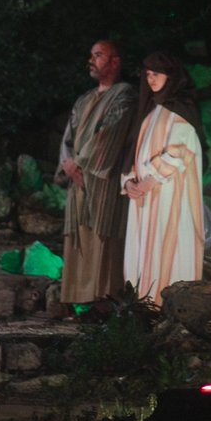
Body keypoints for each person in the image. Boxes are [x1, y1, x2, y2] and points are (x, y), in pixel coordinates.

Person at [57, 40, 137, 307]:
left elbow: (109, 136)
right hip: (77, 181)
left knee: (101, 238)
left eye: (98, 55)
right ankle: (75, 299)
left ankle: (102, 301)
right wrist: (68, 165)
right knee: (77, 238)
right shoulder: (84, 100)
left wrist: (83, 166)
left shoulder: (125, 96)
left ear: (115, 61)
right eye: (91, 55)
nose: (91, 61)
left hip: (103, 183)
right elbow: (68, 137)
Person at [121, 51, 205, 304]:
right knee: (144, 252)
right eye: (147, 74)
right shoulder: (150, 111)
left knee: (169, 249)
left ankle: (167, 309)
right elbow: (132, 151)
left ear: (171, 76)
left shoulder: (182, 111)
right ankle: (143, 307)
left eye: (156, 74)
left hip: (170, 198)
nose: (151, 79)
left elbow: (182, 150)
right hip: (144, 201)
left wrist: (149, 180)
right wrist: (129, 181)